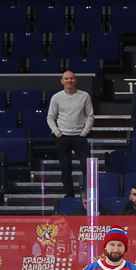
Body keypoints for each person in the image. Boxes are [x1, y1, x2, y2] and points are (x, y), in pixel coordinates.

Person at [47, 68, 93, 203]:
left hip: (79, 137)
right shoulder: (56, 97)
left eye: (71, 78)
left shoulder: (84, 96)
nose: (69, 81)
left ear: (75, 80)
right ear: (62, 81)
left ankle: (87, 195)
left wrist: (84, 133)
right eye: (66, 78)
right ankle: (70, 196)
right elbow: (50, 117)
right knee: (66, 169)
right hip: (63, 138)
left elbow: (90, 116)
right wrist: (57, 133)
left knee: (86, 167)